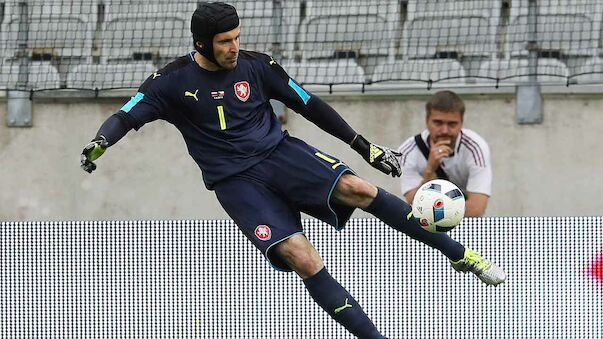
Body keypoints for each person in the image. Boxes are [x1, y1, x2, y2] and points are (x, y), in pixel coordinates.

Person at [80, 3, 505, 338]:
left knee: (361, 189)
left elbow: (310, 105)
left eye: (237, 37)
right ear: (203, 43)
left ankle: (461, 255)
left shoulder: (257, 66)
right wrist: (101, 142)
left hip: (281, 154)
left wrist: (364, 146)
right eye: (225, 41)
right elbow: (126, 115)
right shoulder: (169, 82)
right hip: (237, 183)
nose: (234, 47)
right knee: (302, 258)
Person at [398, 90, 492, 217]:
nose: (444, 130)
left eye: (452, 124)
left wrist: (435, 214)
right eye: (438, 123)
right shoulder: (408, 151)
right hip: (430, 225)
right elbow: (413, 205)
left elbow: (476, 209)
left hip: (463, 223)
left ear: (461, 123)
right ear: (427, 121)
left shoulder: (475, 148)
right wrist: (430, 170)